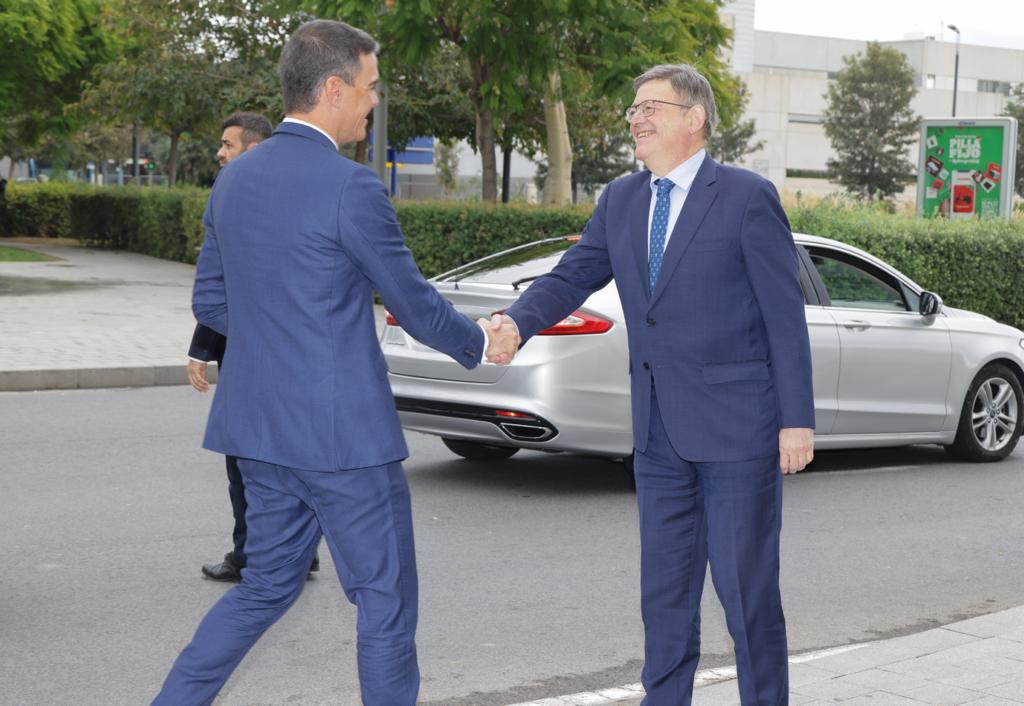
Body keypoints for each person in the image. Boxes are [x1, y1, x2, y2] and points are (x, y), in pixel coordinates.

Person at [152, 19, 517, 706]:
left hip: (259, 432)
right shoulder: (352, 188)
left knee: (263, 589)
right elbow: (409, 300)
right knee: (384, 599)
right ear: (334, 88)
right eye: (371, 89)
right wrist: (482, 342)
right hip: (344, 439)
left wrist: (276, 337)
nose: (375, 103)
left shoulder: (235, 179)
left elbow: (211, 299)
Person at [501, 64, 815, 705]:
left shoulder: (747, 196)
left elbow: (784, 315)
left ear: (694, 118)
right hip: (657, 433)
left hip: (737, 431)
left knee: (745, 591)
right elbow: (571, 277)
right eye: (633, 108)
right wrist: (514, 323)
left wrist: (796, 419)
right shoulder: (621, 198)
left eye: (651, 107)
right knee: (665, 593)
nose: (636, 119)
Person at [185, 111, 317, 584]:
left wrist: (203, 346)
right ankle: (298, 550)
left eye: (229, 145)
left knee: (247, 465)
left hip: (259, 364)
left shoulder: (244, 204)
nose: (220, 153)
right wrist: (203, 346)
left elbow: (230, 289)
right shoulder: (288, 198)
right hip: (285, 359)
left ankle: (250, 556)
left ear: (255, 150)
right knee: (283, 462)